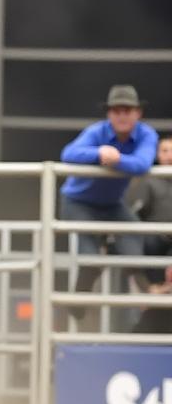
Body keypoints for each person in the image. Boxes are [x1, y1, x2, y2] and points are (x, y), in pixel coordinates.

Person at [59, 85, 157, 322]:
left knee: (135, 248)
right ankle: (77, 304)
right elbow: (69, 153)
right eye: (116, 110)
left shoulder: (146, 135)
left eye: (128, 110)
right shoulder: (97, 132)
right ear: (109, 114)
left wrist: (116, 159)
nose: (122, 115)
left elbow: (143, 163)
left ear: (138, 113)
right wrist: (99, 153)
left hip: (112, 205)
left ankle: (114, 251)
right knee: (91, 259)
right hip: (79, 202)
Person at [127, 133, 172, 287]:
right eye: (165, 151)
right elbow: (135, 212)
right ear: (157, 154)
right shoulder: (148, 179)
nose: (169, 156)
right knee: (142, 244)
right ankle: (150, 291)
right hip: (155, 241)